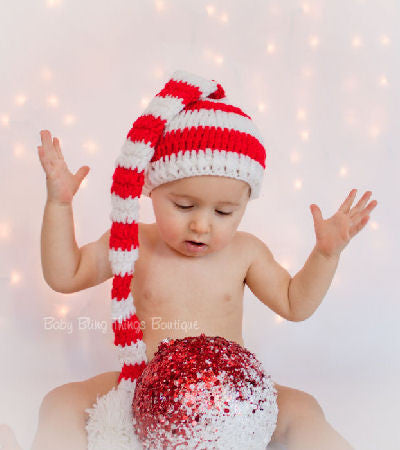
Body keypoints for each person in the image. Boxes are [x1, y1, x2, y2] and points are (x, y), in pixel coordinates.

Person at [2, 70, 377, 449]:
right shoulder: (134, 242)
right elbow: (65, 276)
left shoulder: (245, 252)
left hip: (232, 399)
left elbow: (296, 304)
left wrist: (325, 255)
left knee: (303, 406)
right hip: (145, 393)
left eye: (224, 212)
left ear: (246, 204)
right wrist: (59, 204)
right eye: (183, 205)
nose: (201, 224)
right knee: (62, 399)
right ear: (151, 190)